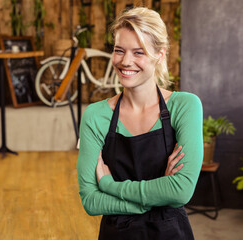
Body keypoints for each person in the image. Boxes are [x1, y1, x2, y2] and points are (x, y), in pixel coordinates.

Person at [76, 7, 203, 240]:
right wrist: (152, 199)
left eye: (138, 52)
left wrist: (109, 185)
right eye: (119, 50)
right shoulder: (96, 116)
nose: (126, 61)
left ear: (159, 55)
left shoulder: (184, 107)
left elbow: (181, 191)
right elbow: (91, 201)